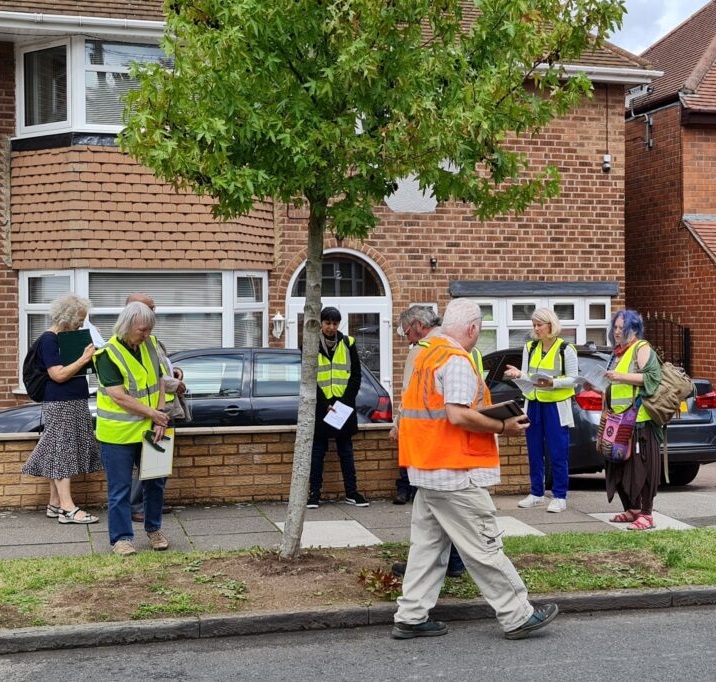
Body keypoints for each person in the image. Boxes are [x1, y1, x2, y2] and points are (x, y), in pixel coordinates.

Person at [392, 297, 558, 640]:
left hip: (427, 467)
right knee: (483, 545)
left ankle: (410, 615)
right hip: (455, 472)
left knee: (427, 547)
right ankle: (517, 614)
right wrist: (503, 427)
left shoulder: (425, 354)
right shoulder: (455, 359)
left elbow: (435, 411)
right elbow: (455, 414)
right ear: (471, 329)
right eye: (478, 332)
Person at [390, 305, 465, 578]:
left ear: (419, 325)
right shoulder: (452, 344)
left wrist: (399, 423)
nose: (406, 338)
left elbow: (411, 392)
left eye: (406, 331)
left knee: (434, 509)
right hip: (446, 437)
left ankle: (439, 564)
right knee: (442, 507)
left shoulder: (424, 348)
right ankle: (450, 562)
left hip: (427, 439)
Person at [94, 301, 171, 556]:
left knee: (156, 483)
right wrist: (154, 415)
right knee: (120, 488)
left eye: (149, 329)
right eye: (142, 330)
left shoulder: (149, 344)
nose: (147, 334)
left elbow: (159, 380)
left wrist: (161, 415)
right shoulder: (106, 354)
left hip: (151, 428)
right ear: (126, 326)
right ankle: (121, 539)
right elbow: (119, 397)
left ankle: (154, 530)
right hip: (118, 434)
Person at [21, 293, 102, 524]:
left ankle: (55, 504)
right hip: (61, 402)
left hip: (72, 400)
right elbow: (57, 375)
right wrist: (84, 358)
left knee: (58, 448)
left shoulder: (66, 339)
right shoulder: (50, 340)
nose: (81, 323)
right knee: (63, 451)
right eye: (79, 319)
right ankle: (68, 509)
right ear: (67, 317)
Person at [504, 308, 578, 513]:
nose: (536, 329)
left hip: (556, 405)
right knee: (534, 450)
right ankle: (536, 493)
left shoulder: (566, 348)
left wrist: (552, 382)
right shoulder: (530, 347)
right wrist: (519, 374)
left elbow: (573, 379)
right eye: (534, 325)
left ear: (550, 325)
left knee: (558, 451)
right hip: (534, 402)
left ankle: (560, 496)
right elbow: (528, 375)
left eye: (540, 325)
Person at [123, 292, 185, 524]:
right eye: (150, 308)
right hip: (148, 410)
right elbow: (147, 377)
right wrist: (175, 383)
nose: (154, 312)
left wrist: (175, 371)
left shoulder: (151, 338)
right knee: (148, 460)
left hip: (163, 406)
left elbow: (161, 369)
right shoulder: (130, 341)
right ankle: (138, 506)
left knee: (157, 464)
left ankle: (151, 504)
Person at [601, 309, 662, 530]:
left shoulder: (641, 348)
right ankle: (632, 509)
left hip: (639, 421)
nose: (617, 332)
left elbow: (652, 378)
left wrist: (620, 376)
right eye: (615, 327)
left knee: (641, 468)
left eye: (622, 328)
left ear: (634, 329)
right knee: (619, 466)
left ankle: (646, 514)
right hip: (618, 421)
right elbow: (615, 386)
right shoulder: (617, 353)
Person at [307, 306, 369, 508]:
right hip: (321, 406)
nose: (331, 327)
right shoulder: (310, 344)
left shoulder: (348, 343)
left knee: (346, 451)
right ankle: (314, 494)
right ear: (321, 323)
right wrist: (324, 404)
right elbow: (308, 379)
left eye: (335, 323)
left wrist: (343, 402)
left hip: (343, 406)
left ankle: (352, 493)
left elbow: (356, 376)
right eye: (327, 323)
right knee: (317, 452)